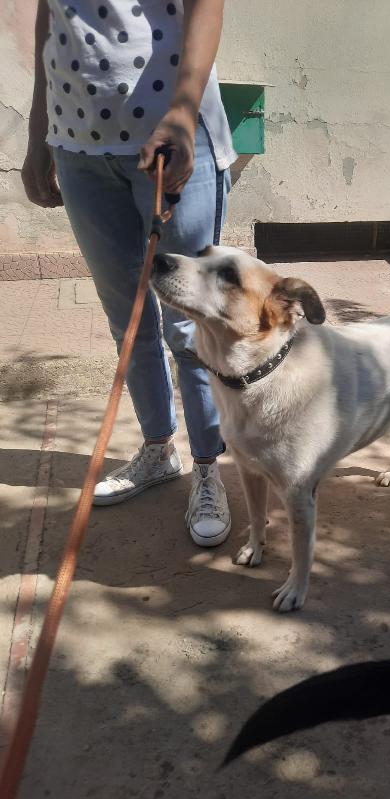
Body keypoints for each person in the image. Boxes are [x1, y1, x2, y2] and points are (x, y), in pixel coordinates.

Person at [22, 0, 237, 547]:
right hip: (77, 147)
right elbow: (53, 21)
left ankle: (209, 466)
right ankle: (158, 448)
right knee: (129, 323)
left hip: (170, 139)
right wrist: (38, 136)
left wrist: (186, 110)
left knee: (191, 326)